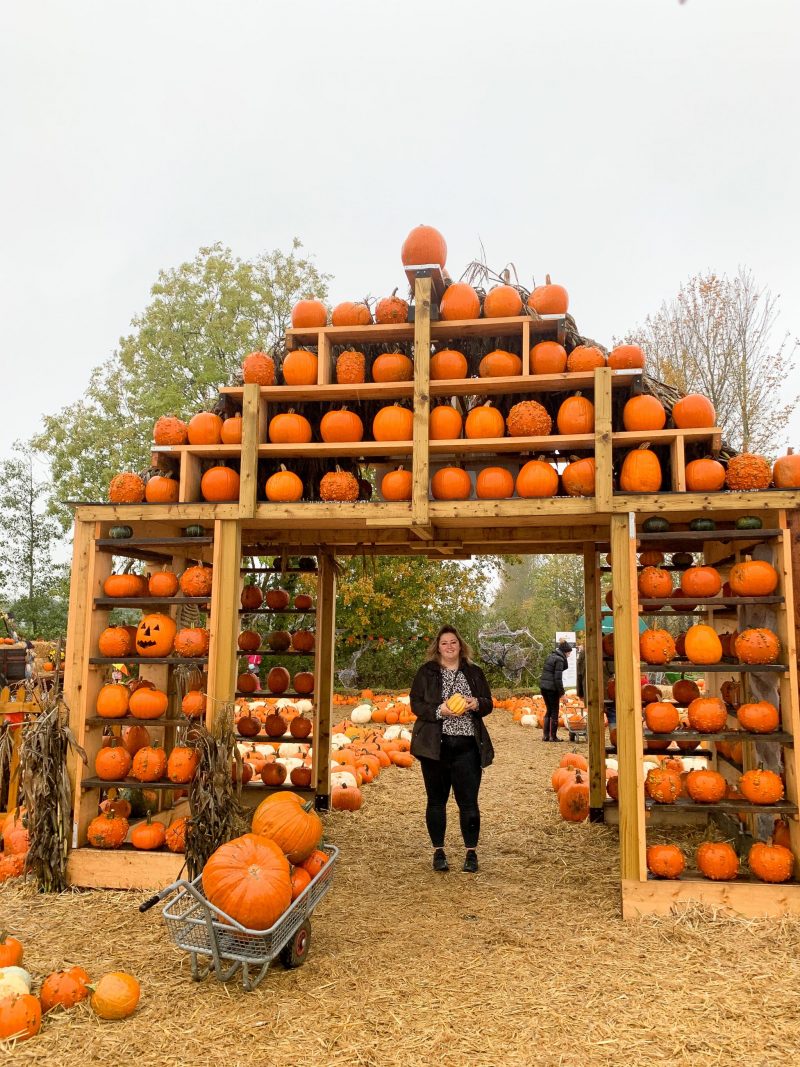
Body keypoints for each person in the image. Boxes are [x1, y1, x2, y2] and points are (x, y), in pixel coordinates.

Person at [409, 625, 494, 874]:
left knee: (468, 802)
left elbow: (488, 703)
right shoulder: (426, 673)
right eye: (444, 643)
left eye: (453, 643)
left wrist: (475, 703)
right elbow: (416, 703)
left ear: (460, 646)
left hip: (467, 745)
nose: (449, 647)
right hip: (436, 746)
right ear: (438, 647)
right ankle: (439, 852)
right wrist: (439, 711)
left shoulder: (474, 673)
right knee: (436, 801)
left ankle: (471, 853)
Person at [539, 639, 572, 742]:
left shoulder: (551, 656)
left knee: (549, 710)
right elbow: (557, 679)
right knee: (554, 711)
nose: (569, 655)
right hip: (552, 689)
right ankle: (553, 736)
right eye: (569, 653)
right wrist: (562, 694)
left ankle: (546, 736)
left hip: (544, 687)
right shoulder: (560, 660)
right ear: (565, 652)